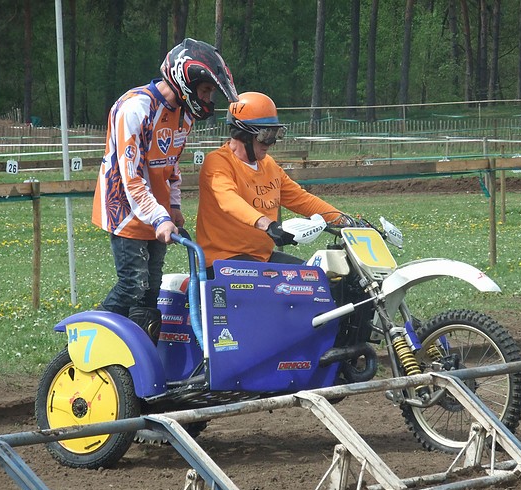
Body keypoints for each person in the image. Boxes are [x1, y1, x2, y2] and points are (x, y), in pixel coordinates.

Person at [92, 38, 238, 344]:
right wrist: (160, 218)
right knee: (133, 285)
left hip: (158, 215)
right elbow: (131, 178)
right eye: (207, 90)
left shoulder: (183, 115)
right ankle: (90, 340)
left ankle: (134, 354)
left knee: (150, 290)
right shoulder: (135, 108)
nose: (209, 98)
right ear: (188, 80)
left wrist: (173, 207)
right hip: (125, 210)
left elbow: (171, 165)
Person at [195, 91, 343, 274]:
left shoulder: (269, 165)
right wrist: (268, 224)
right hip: (223, 261)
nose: (271, 142)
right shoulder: (217, 162)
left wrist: (344, 220)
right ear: (242, 133)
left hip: (260, 257)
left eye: (276, 134)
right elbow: (228, 200)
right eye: (266, 134)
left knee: (316, 277)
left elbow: (301, 199)